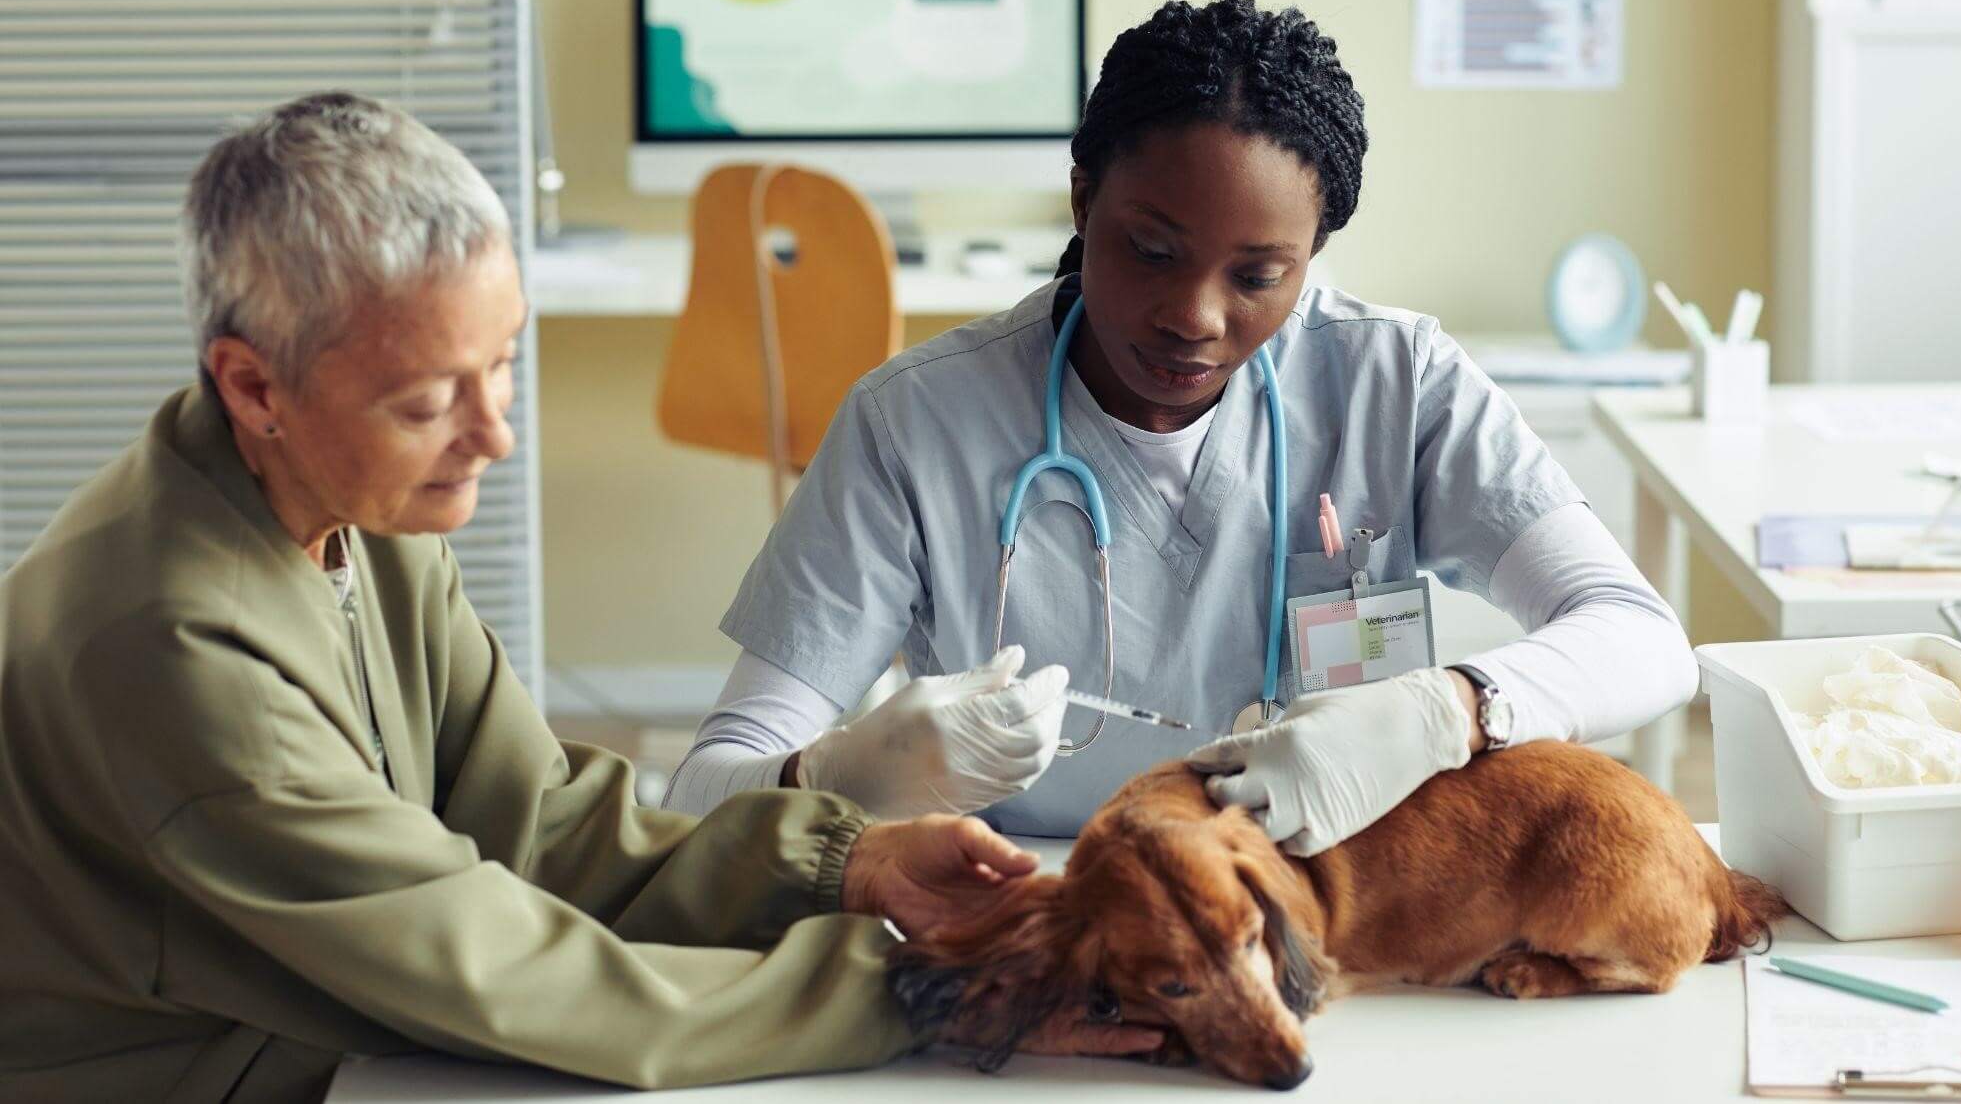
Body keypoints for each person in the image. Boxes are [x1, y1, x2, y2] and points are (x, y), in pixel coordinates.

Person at [0, 94, 1149, 1101]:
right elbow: (504, 971)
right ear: (254, 386)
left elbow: (533, 821)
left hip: (321, 1034)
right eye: (425, 402)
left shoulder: (351, 505)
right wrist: (932, 993)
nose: (491, 434)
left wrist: (839, 865)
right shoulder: (177, 650)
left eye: (502, 362)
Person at [668, 0, 1697, 849]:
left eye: (1257, 276)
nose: (1194, 318)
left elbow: (1643, 641)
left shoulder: (1394, 380)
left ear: (1313, 255)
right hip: (1030, 915)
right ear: (1081, 200)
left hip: (1318, 908)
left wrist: (1445, 710)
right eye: (1151, 251)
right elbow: (692, 798)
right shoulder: (916, 427)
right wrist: (839, 771)